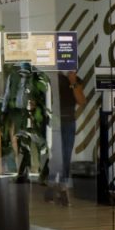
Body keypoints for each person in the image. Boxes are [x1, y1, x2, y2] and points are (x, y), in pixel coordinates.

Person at [47, 70, 86, 206]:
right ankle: (51, 186)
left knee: (66, 155)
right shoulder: (51, 78)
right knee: (55, 155)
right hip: (54, 122)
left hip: (68, 122)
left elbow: (81, 100)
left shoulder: (75, 79)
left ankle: (63, 188)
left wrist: (72, 81)